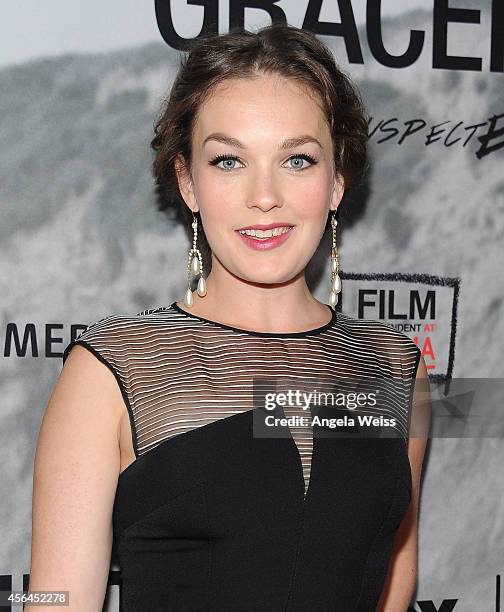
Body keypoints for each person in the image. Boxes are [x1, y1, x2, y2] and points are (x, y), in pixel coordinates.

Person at [28, 23, 430, 611]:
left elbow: (395, 579)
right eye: (228, 161)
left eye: (296, 159)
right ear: (187, 182)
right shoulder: (113, 372)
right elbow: (57, 603)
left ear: (337, 180)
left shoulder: (394, 370)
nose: (263, 195)